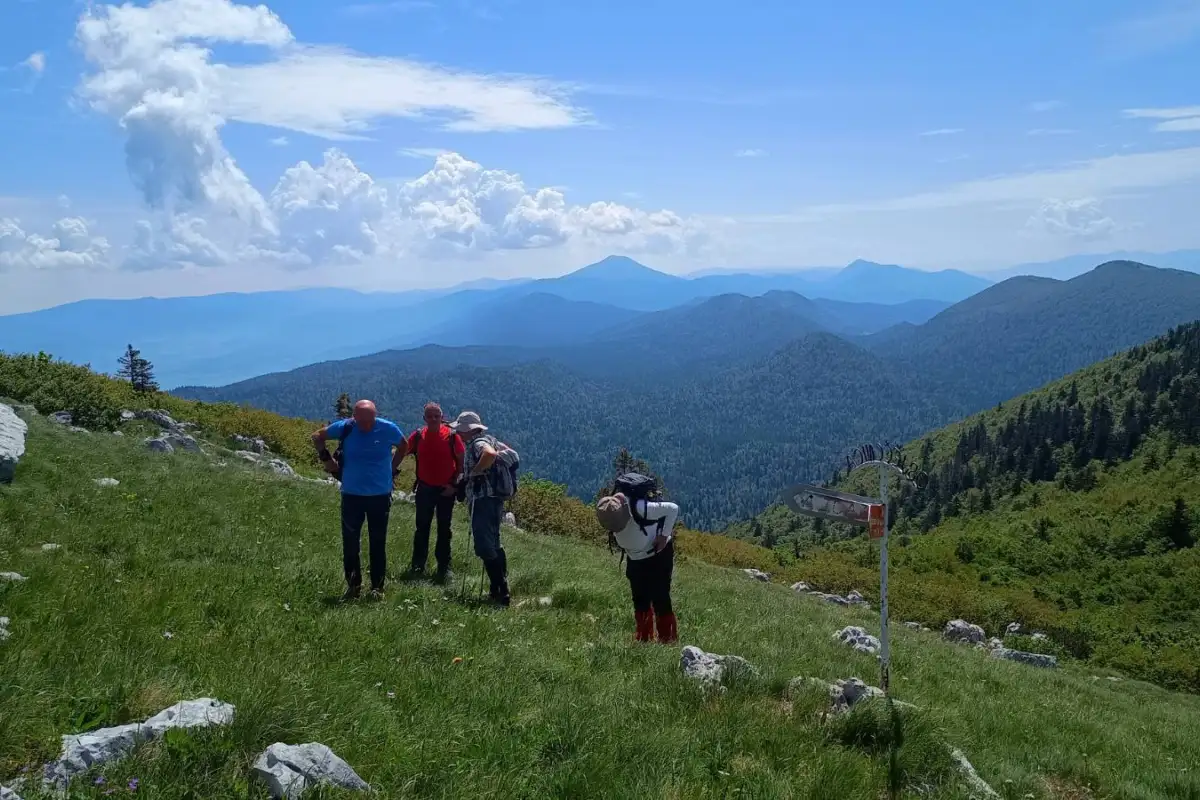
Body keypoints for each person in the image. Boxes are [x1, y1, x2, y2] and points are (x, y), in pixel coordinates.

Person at [312, 399, 407, 601]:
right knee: (350, 542)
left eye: (370, 420)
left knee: (377, 542)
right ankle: (353, 586)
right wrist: (326, 459)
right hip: (352, 494)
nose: (366, 425)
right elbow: (317, 436)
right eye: (362, 421)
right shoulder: (345, 427)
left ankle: (377, 588)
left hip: (380, 495)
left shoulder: (388, 428)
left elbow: (403, 446)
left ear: (376, 415)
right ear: (354, 417)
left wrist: (392, 468)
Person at [596, 480, 680, 643]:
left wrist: (664, 536)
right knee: (639, 598)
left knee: (660, 597)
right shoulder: (609, 512)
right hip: (635, 558)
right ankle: (644, 638)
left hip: (658, 556)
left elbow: (672, 509)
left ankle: (667, 640)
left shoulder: (640, 508)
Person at [451, 410, 519, 606]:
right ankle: (498, 590)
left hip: (483, 499)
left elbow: (489, 455)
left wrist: (473, 473)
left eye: (460, 430)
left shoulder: (477, 444)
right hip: (495, 499)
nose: (458, 433)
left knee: (483, 545)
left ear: (467, 430)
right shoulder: (491, 439)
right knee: (495, 542)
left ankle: (501, 589)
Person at [404, 402, 465, 583]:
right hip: (424, 488)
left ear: (442, 417)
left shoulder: (453, 437)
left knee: (444, 529)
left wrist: (454, 485)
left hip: (446, 489)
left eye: (436, 416)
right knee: (421, 528)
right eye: (429, 416)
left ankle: (444, 567)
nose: (433, 419)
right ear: (424, 419)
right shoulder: (418, 436)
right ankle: (417, 566)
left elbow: (461, 464)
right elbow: (402, 451)